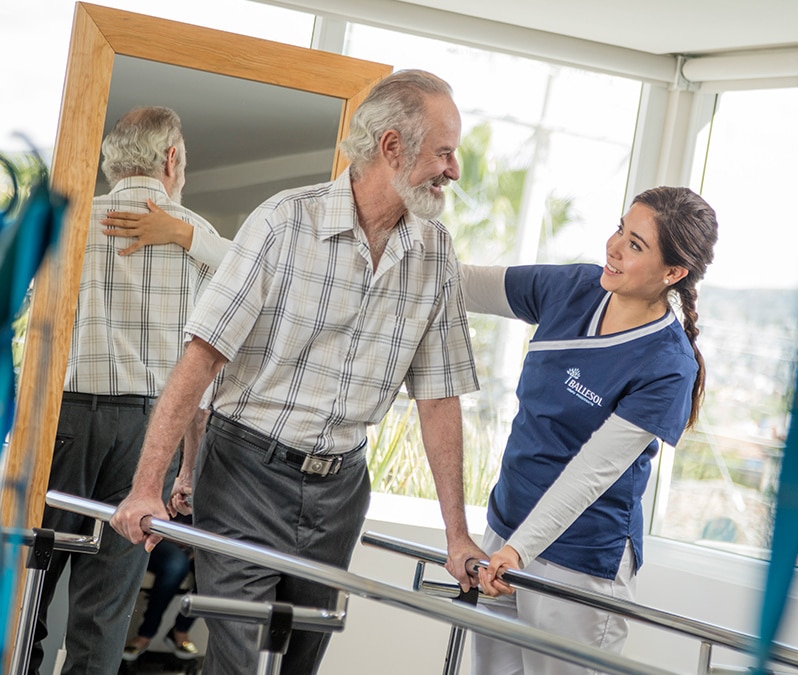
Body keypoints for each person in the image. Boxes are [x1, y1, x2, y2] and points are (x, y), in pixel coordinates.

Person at [109, 69, 484, 675]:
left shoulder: (435, 253)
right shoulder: (284, 223)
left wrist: (457, 535)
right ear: (392, 147)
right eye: (444, 151)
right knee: (241, 661)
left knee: (300, 661)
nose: (455, 169)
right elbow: (200, 358)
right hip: (244, 475)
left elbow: (439, 399)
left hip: (340, 490)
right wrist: (147, 484)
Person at [464, 186, 718, 675]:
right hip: (505, 530)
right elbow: (468, 284)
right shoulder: (576, 289)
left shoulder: (667, 365)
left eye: (636, 244)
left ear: (673, 273)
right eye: (620, 228)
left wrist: (520, 549)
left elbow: (591, 473)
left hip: (577, 564)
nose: (614, 246)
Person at [29, 106, 228, 674]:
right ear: (171, 159)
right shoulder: (199, 238)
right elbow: (205, 368)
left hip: (64, 418)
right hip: (149, 432)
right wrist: (189, 467)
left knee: (30, 588)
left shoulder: (68, 222)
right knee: (106, 609)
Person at [121, 514, 201, 663]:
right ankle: (146, 634)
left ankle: (181, 629)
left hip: (198, 539)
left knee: (216, 569)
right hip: (159, 533)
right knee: (176, 565)